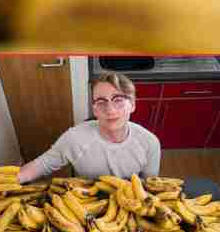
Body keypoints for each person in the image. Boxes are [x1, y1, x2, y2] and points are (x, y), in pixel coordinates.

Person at [17, 72, 160, 182]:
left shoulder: (149, 142)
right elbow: (42, 164)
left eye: (118, 100)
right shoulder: (74, 138)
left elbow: (150, 183)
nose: (110, 110)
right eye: (101, 102)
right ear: (95, 110)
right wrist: (7, 182)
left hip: (129, 202)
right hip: (85, 202)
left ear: (133, 105)